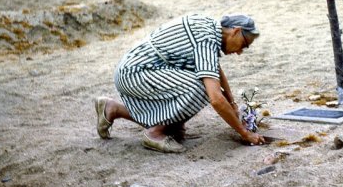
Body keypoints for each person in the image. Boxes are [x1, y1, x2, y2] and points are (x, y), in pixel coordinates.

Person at [93, 13, 266, 153]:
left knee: (177, 126)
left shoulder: (208, 27)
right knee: (202, 88)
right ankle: (155, 133)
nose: (240, 52)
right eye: (244, 45)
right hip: (136, 73)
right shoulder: (206, 40)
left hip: (136, 71)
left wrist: (233, 104)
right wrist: (244, 133)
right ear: (235, 31)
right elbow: (215, 99)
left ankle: (113, 108)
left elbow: (214, 68)